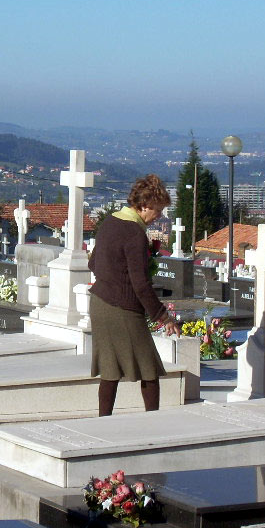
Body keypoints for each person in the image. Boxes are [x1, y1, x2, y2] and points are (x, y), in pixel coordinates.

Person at [89, 174, 179, 416]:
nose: (159, 216)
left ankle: (103, 421)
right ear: (145, 205)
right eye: (158, 210)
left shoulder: (110, 222)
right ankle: (153, 421)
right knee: (149, 368)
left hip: (99, 303)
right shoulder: (134, 233)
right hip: (123, 308)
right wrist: (164, 317)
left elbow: (93, 263)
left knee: (110, 370)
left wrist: (113, 276)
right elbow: (140, 284)